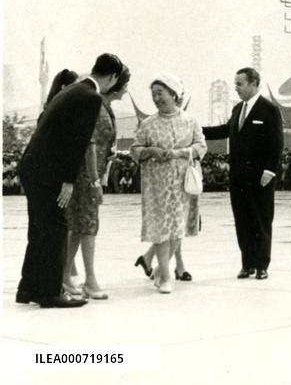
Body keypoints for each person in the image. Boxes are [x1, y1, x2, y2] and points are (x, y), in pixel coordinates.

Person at [16, 54, 126, 308]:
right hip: (49, 171)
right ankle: (51, 292)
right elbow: (78, 141)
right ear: (112, 78)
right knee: (56, 227)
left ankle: (28, 288)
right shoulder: (91, 97)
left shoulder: (72, 90)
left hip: (33, 165)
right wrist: (68, 180)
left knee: (39, 229)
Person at [202, 67, 283, 279]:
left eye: (240, 84)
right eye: (235, 83)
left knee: (261, 221)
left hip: (260, 178)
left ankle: (262, 265)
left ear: (254, 83)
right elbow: (224, 131)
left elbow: (277, 144)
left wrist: (270, 170)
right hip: (238, 178)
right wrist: (195, 129)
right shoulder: (237, 109)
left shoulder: (269, 110)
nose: (236, 88)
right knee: (242, 221)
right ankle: (247, 263)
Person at [130, 74, 206, 294]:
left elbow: (201, 146)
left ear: (173, 94)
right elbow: (135, 150)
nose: (156, 98)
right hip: (157, 185)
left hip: (183, 183)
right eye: (153, 94)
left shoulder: (190, 121)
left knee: (178, 229)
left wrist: (180, 152)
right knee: (162, 229)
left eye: (160, 93)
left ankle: (159, 271)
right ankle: (164, 276)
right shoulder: (148, 124)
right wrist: (149, 151)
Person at [64, 65, 130, 300]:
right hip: (86, 174)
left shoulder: (105, 107)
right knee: (88, 225)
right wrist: (94, 181)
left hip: (91, 172)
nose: (126, 91)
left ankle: (64, 275)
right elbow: (90, 144)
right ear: (116, 83)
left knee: (79, 226)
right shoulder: (96, 106)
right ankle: (89, 280)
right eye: (125, 86)